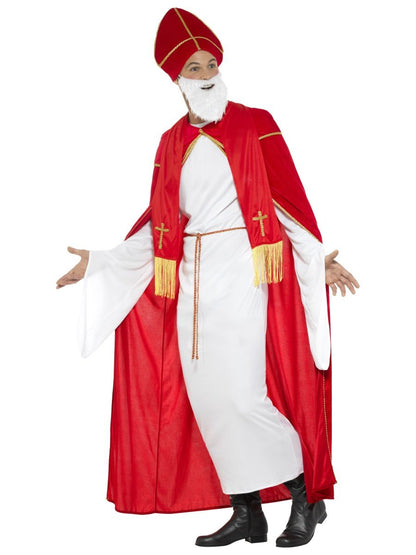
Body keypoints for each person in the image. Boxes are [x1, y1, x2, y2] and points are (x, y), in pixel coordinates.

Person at [56, 7, 359, 548]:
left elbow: (287, 200)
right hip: (192, 279)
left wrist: (317, 258)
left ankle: (304, 497)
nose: (206, 74)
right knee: (208, 400)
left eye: (211, 63)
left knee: (243, 396)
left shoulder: (254, 123)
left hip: (243, 270)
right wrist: (99, 261)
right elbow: (162, 224)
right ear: (176, 79)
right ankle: (248, 513)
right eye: (193, 68)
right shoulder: (170, 142)